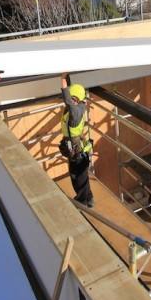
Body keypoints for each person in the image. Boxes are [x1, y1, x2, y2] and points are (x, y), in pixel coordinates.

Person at [58, 73, 94, 207]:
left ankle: (83, 202)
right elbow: (70, 97)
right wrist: (66, 77)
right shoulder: (78, 106)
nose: (71, 100)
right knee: (83, 177)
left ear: (77, 100)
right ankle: (88, 199)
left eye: (73, 98)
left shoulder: (75, 112)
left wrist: (62, 81)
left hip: (77, 152)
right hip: (78, 149)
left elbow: (67, 99)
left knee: (77, 178)